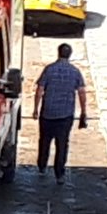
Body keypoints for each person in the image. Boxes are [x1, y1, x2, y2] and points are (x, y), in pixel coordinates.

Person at [33, 43, 88, 184]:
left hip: (48, 113)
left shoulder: (49, 70)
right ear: (69, 55)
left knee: (44, 140)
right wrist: (83, 112)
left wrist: (35, 109)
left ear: (58, 53)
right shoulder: (75, 72)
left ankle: (42, 166)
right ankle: (59, 174)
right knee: (62, 143)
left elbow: (40, 90)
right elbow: (81, 92)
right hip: (66, 114)